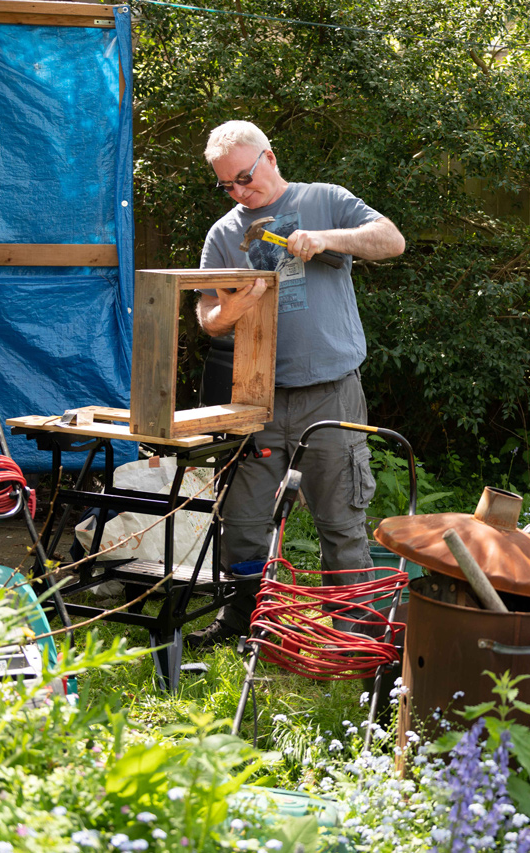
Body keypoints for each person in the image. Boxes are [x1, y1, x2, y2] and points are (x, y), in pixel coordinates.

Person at [185, 120, 406, 648]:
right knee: (241, 519)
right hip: (255, 400)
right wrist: (226, 312)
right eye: (227, 185)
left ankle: (352, 637)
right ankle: (243, 620)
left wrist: (327, 238)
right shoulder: (223, 234)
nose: (240, 191)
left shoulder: (324, 200)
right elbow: (206, 313)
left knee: (340, 521)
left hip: (331, 392)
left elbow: (391, 240)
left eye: (245, 177)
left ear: (270, 157)